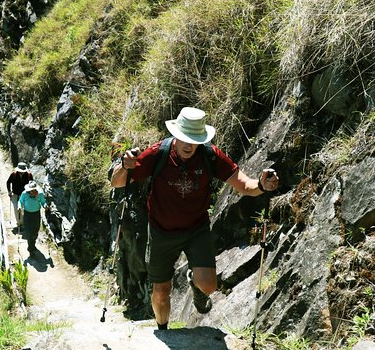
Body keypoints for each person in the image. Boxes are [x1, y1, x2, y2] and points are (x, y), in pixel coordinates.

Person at [110, 107, 278, 330]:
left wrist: (262, 185)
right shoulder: (158, 153)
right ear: (175, 135)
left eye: (195, 140)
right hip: (161, 230)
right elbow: (117, 182)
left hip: (195, 229)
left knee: (209, 285)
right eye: (184, 139)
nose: (189, 145)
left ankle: (196, 287)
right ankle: (164, 330)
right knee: (161, 290)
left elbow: (244, 185)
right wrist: (124, 165)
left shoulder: (210, 156)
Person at [18, 181, 46, 255]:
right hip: (27, 214)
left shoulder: (40, 194)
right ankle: (31, 249)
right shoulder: (24, 194)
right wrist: (19, 207)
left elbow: (43, 202)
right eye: (31, 190)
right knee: (28, 231)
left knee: (35, 231)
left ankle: (32, 244)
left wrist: (45, 206)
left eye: (34, 190)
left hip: (36, 214)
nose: (32, 191)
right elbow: (20, 201)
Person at [6, 162, 33, 229]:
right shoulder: (14, 174)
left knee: (22, 209)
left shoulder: (29, 175)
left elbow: (32, 184)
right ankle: (18, 223)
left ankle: (22, 223)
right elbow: (8, 182)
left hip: (25, 195)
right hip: (15, 194)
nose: (21, 172)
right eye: (20, 171)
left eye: (22, 171)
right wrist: (9, 191)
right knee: (16, 208)